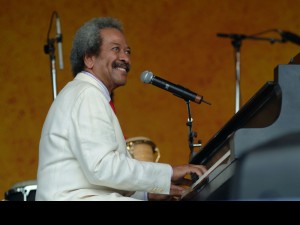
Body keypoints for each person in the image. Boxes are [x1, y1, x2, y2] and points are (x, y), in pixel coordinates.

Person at [36, 17, 207, 201]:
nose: (125, 58)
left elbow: (103, 177)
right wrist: (168, 172)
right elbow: (102, 167)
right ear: (89, 59)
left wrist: (147, 194)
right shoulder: (87, 94)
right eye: (116, 49)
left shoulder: (86, 93)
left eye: (127, 51)